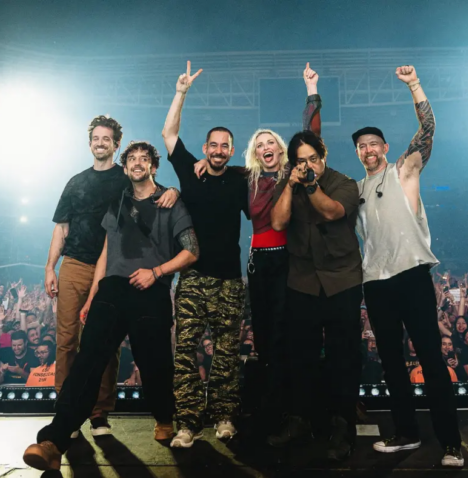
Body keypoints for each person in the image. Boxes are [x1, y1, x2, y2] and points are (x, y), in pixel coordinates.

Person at [23, 140, 199, 471]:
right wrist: (94, 294)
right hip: (113, 290)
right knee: (87, 360)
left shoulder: (170, 202)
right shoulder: (118, 202)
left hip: (152, 288)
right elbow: (107, 249)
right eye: (131, 158)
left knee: (155, 364)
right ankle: (53, 441)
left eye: (143, 158)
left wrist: (156, 272)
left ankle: (164, 416)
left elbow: (191, 251)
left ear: (153, 166)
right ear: (126, 166)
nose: (137, 163)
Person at [192, 62, 323, 438]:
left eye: (271, 143)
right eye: (260, 144)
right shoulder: (244, 178)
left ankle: (296, 410)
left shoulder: (292, 173)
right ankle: (271, 407)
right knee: (264, 336)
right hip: (257, 262)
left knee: (285, 333)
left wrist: (311, 91)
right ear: (253, 153)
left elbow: (311, 135)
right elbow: (215, 167)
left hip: (288, 259)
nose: (266, 147)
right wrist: (201, 161)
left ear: (281, 150)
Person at [352, 64, 462, 467]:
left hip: (412, 276)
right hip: (376, 283)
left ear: (384, 147)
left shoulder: (403, 172)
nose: (368, 149)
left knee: (431, 358)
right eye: (361, 146)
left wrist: (414, 84)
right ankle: (406, 433)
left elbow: (428, 129)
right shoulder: (355, 191)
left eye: (373, 143)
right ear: (357, 153)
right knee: (392, 363)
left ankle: (451, 443)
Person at [45, 115, 179, 437]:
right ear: (90, 142)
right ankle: (66, 414)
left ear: (116, 145)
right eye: (96, 138)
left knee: (105, 344)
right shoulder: (75, 182)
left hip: (114, 268)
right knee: (67, 341)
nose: (101, 143)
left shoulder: (127, 177)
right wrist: (50, 266)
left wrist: (173, 190)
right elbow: (61, 227)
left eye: (107, 139)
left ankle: (99, 414)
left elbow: (153, 191)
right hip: (75, 264)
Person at [267, 68, 363, 463]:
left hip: (342, 280)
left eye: (312, 159)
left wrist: (309, 185)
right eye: (300, 161)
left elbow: (331, 212)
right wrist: (291, 185)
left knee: (343, 356)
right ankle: (301, 418)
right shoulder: (289, 184)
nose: (307, 165)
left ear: (323, 157)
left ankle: (342, 425)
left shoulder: (344, 183)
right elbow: (278, 223)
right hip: (303, 281)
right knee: (300, 355)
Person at [162, 62, 250, 448]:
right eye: (212, 145)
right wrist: (181, 92)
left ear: (231, 151)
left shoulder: (242, 179)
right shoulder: (189, 172)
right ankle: (188, 423)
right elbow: (169, 133)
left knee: (226, 354)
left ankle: (224, 418)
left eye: (224, 146)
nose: (217, 151)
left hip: (229, 279)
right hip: (193, 278)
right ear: (204, 149)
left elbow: (271, 170)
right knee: (185, 352)